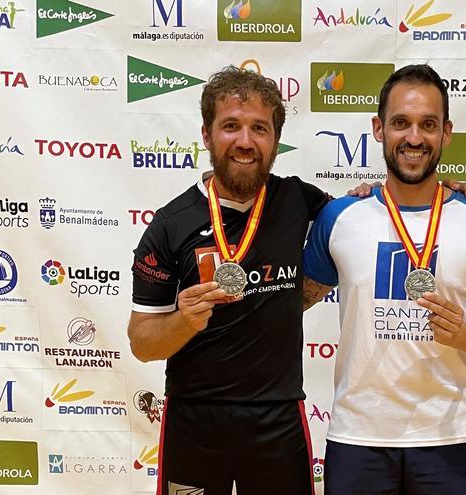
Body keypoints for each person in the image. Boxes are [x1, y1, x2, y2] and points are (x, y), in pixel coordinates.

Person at [300, 64, 466, 495]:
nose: (414, 137)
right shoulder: (340, 216)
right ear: (378, 129)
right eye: (401, 123)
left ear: (446, 133)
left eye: (428, 125)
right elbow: (289, 301)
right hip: (359, 436)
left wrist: (464, 334)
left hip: (451, 438)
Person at [127, 66, 331, 495]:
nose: (245, 141)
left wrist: (448, 191)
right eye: (230, 126)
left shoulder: (298, 200)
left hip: (277, 420)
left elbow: (371, 219)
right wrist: (182, 322)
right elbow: (142, 342)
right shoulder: (170, 224)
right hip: (195, 420)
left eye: (259, 128)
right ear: (206, 134)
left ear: (275, 140)